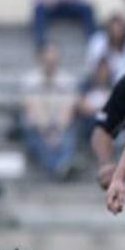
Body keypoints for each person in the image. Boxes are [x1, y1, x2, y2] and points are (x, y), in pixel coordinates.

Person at [20, 43, 80, 180]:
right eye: (47, 59)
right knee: (33, 130)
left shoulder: (68, 80)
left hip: (61, 126)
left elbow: (69, 110)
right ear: (41, 59)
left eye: (53, 59)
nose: (50, 62)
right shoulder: (29, 80)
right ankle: (60, 167)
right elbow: (31, 109)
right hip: (39, 126)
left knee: (70, 131)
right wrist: (46, 131)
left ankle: (58, 167)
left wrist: (57, 131)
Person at [30, 0, 96, 49]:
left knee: (87, 8)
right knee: (39, 9)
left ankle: (93, 40)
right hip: (49, 7)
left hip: (68, 4)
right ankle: (41, 42)